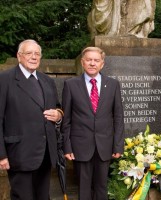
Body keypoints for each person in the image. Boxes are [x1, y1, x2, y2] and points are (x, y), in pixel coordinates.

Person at [0, 39, 63, 199]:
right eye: (29, 53)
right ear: (19, 56)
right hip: (19, 153)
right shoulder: (5, 80)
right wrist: (1, 155)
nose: (33, 57)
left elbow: (58, 107)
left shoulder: (47, 81)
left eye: (37, 54)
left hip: (46, 153)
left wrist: (58, 115)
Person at [61, 46, 124, 200]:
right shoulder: (71, 85)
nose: (92, 63)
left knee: (102, 187)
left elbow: (118, 118)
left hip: (105, 146)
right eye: (89, 60)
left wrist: (118, 145)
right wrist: (67, 146)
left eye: (96, 60)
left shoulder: (113, 84)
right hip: (80, 146)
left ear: (102, 64)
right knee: (83, 187)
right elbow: (66, 119)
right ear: (82, 62)